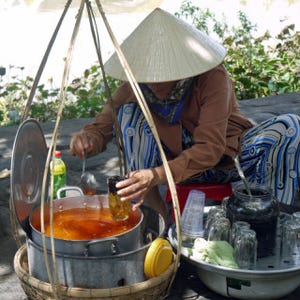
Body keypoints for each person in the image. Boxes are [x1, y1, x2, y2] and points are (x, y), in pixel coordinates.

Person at [69, 8, 300, 222]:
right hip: (173, 170)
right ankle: (156, 219)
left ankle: (273, 218)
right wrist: (89, 139)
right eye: (149, 74)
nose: (154, 82)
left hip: (226, 163)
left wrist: (156, 174)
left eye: (162, 74)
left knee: (289, 126)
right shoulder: (135, 85)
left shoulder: (212, 78)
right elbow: (102, 126)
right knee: (129, 115)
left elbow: (210, 148)